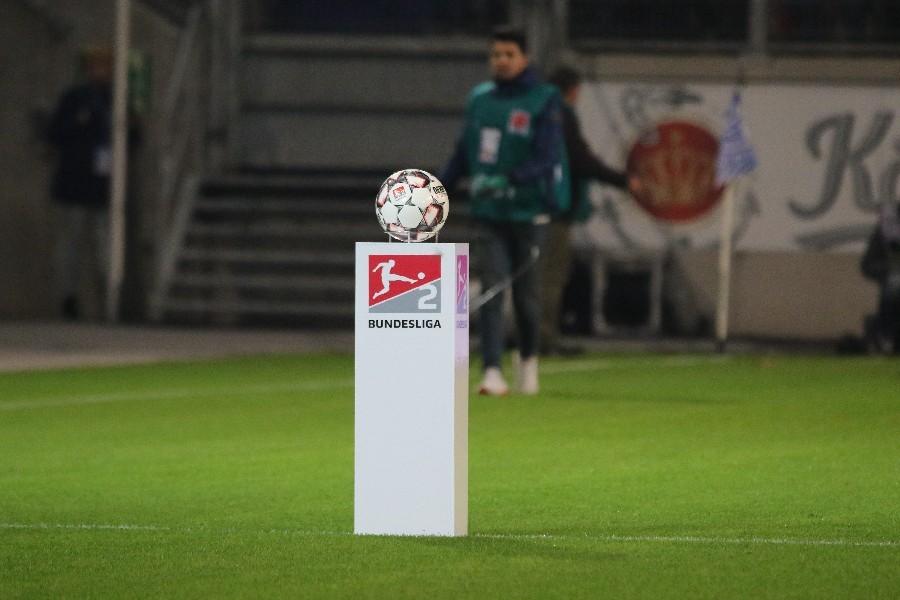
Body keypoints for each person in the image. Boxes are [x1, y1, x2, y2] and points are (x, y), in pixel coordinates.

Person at [440, 25, 569, 395]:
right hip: (489, 214)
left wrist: (508, 179)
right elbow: (464, 150)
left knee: (528, 300)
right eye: (496, 54)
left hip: (530, 214)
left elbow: (547, 157)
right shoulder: (479, 99)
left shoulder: (545, 99)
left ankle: (528, 361)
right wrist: (439, 189)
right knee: (491, 293)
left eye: (509, 54)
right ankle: (492, 371)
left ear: (524, 58)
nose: (501, 61)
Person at [540, 65, 643, 355]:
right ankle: (543, 340)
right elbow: (579, 159)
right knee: (551, 276)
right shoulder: (560, 114)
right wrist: (622, 180)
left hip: (531, 205)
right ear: (573, 90)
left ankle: (533, 336)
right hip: (555, 207)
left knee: (538, 275)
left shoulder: (536, 111)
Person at [46, 47, 114, 320]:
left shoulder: (115, 99)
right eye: (98, 67)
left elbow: (132, 137)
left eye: (106, 67)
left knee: (104, 245)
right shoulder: (75, 98)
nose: (102, 72)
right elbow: (55, 132)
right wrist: (78, 122)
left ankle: (109, 301)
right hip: (75, 183)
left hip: (103, 186)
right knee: (71, 245)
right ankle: (69, 299)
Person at [860, 203, 900, 354]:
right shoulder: (890, 224)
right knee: (896, 282)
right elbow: (869, 263)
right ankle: (886, 334)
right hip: (888, 272)